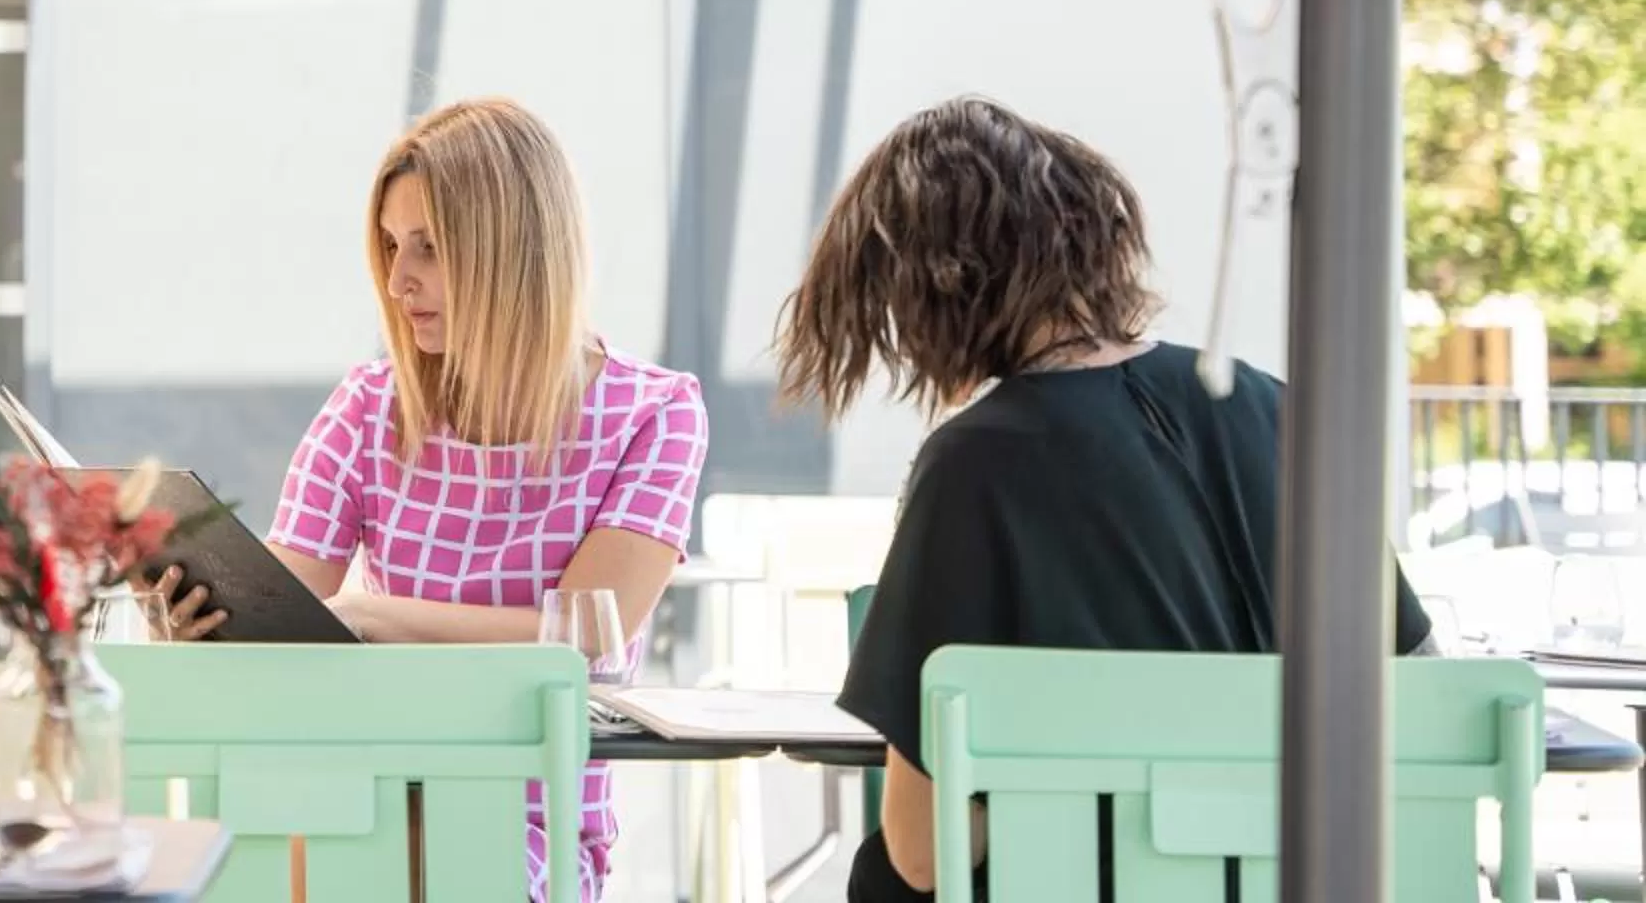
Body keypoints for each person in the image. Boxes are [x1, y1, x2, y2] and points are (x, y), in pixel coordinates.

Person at [773, 96, 1435, 903]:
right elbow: (1424, 700)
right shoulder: (1282, 411)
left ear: (936, 285)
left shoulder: (975, 465)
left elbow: (925, 851)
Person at [168, 98, 708, 903]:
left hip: (525, 818)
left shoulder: (653, 414)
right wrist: (206, 615)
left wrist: (373, 616)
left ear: (513, 250)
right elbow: (283, 601)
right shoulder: (368, 405)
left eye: (429, 246)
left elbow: (584, 638)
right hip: (359, 793)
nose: (397, 281)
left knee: (386, 859)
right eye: (391, 246)